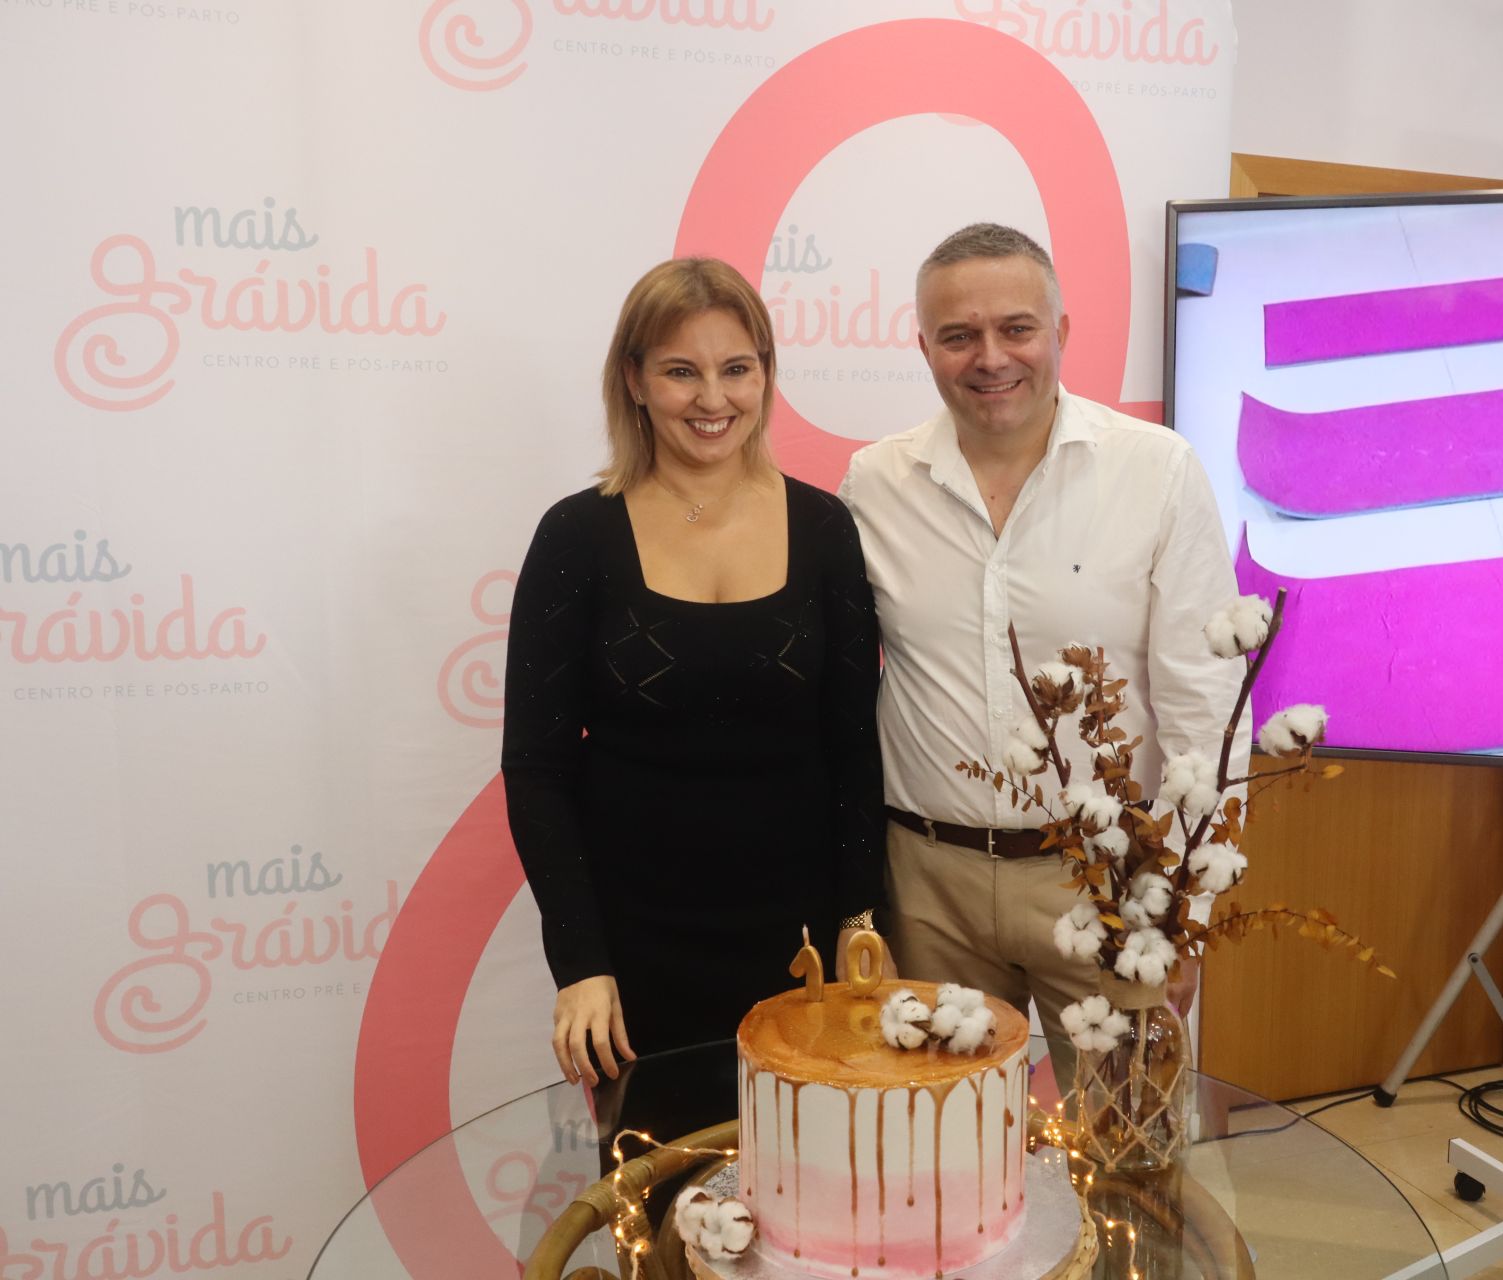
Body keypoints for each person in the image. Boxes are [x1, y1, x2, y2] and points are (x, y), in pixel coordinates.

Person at [838, 223, 1245, 1075]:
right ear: (924, 347)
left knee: (1129, 1140)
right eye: (959, 335)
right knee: (939, 1146)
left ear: (1060, 331)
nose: (991, 357)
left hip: (1112, 883)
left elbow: (1206, 702)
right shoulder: (874, 484)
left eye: (1016, 328)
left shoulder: (1157, 471)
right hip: (927, 891)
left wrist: (1187, 905)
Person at [502, 258, 884, 1118]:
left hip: (803, 947)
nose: (713, 398)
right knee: (661, 1190)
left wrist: (860, 920)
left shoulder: (825, 526)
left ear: (765, 376)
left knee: (815, 1184)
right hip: (636, 951)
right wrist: (580, 963)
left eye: (736, 368)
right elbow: (537, 770)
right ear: (635, 380)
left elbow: (855, 744)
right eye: (682, 370)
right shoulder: (574, 537)